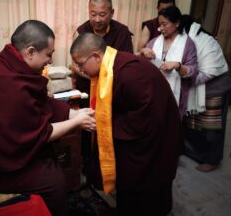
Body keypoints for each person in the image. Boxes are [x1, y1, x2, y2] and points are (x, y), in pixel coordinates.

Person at [0, 20, 96, 216]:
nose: (51, 61)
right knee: (54, 181)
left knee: (49, 157)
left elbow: (39, 102)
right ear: (30, 52)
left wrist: (73, 112)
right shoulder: (7, 85)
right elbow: (40, 134)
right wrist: (76, 122)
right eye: (49, 54)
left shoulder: (9, 62)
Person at [70, 32, 183, 216]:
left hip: (155, 141)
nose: (79, 69)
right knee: (128, 185)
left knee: (146, 190)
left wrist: (103, 122)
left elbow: (148, 117)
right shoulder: (110, 67)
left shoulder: (131, 73)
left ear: (97, 56)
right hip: (136, 134)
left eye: (81, 64)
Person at [72, 0, 134, 164]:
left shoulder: (122, 32)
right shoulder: (81, 31)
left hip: (113, 91)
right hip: (87, 90)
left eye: (102, 14)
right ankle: (87, 163)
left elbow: (126, 65)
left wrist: (102, 77)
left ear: (112, 13)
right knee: (87, 128)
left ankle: (109, 164)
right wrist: (90, 74)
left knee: (110, 130)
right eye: (93, 14)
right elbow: (74, 65)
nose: (97, 19)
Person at [181, 14, 231, 172]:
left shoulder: (206, 41)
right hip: (197, 84)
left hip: (216, 87)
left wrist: (184, 79)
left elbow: (210, 71)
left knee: (212, 127)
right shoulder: (186, 40)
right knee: (193, 122)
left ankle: (212, 160)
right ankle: (193, 152)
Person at [140, 6, 198, 118]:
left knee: (169, 129)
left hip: (176, 95)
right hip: (152, 93)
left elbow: (193, 71)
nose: (160, 28)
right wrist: (143, 52)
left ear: (177, 23)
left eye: (164, 24)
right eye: (159, 24)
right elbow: (142, 66)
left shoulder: (188, 44)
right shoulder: (154, 41)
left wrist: (178, 66)